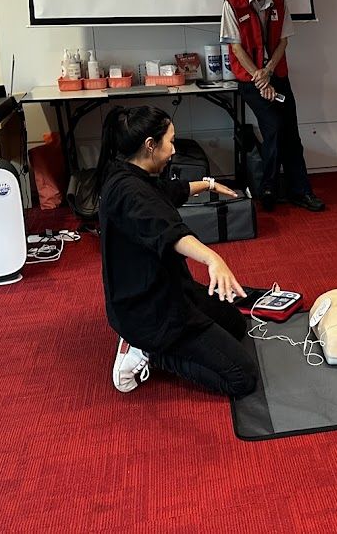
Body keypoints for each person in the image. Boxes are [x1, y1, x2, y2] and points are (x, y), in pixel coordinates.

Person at [94, 105, 258, 397]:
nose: (173, 150)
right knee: (241, 379)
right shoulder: (129, 192)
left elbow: (169, 194)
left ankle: (156, 345)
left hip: (168, 287)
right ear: (150, 145)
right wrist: (213, 259)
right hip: (148, 311)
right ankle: (149, 352)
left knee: (234, 324)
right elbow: (168, 231)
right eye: (170, 141)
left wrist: (207, 184)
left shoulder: (130, 172)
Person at [220, 0, 325, 213]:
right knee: (273, 129)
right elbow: (236, 48)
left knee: (291, 132)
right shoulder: (232, 4)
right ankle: (267, 188)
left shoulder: (279, 1)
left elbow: (283, 41)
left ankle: (300, 191)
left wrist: (268, 73)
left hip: (277, 74)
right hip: (250, 80)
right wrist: (258, 77)